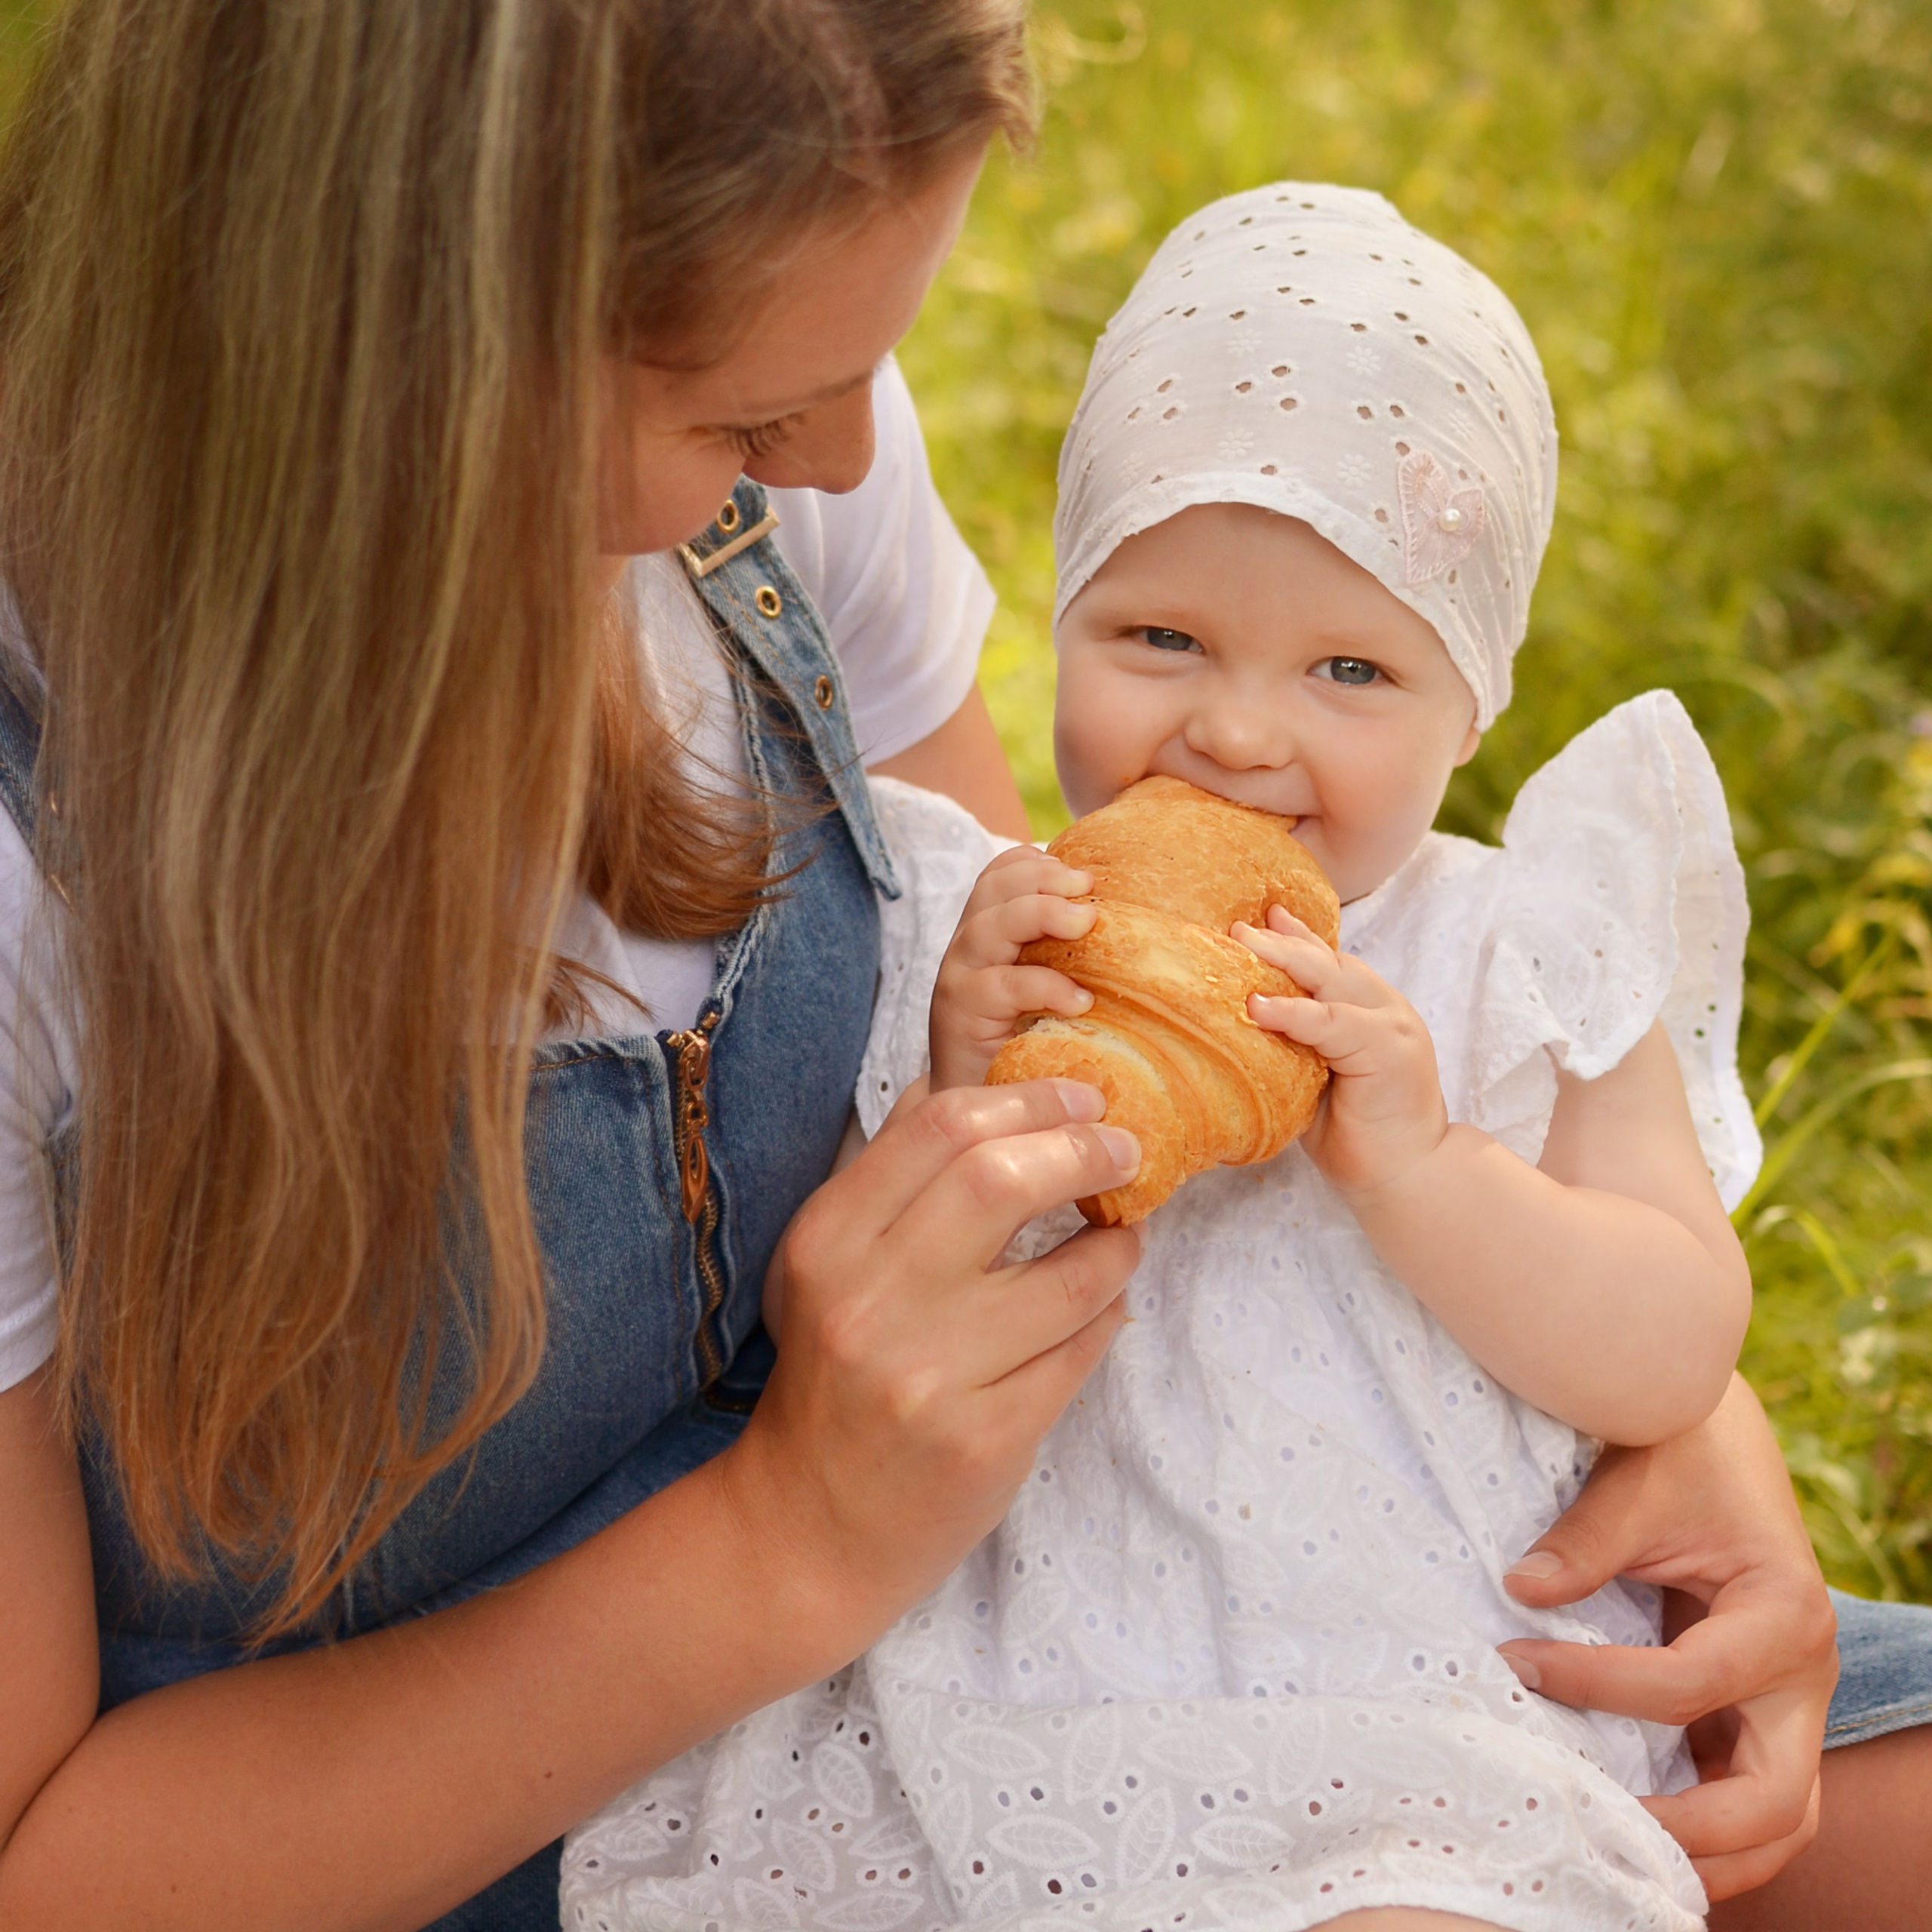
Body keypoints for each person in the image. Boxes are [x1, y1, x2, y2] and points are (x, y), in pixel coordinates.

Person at [0, 4, 1884, 1928]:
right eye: (734, 414)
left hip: (1301, 1577)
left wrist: (1679, 1432)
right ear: (407, 334)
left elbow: (1062, 1010)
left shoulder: (787, 452)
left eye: (859, 371)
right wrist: (789, 1537)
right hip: (561, 1761)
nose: (824, 461)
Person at [561, 182, 1752, 1932]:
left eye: (1350, 668)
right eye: (1159, 637)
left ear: (1468, 706)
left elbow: (1671, 1342)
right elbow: (825, 1290)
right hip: (1022, 1680)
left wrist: (1425, 1168)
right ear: (1064, 620)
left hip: (1403, 1680)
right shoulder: (988, 914)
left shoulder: (1513, 963)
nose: (1236, 726)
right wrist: (960, 1067)